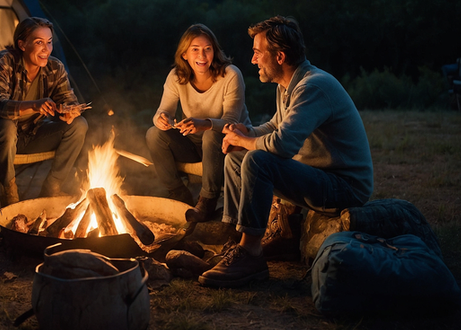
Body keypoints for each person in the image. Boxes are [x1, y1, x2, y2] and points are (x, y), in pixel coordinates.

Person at [199, 15, 373, 288]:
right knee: (235, 156)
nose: (253, 59)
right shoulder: (288, 85)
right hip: (316, 176)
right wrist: (247, 133)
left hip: (344, 187)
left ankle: (251, 256)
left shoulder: (312, 87)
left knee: (257, 160)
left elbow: (282, 144)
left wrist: (248, 142)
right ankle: (237, 241)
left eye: (257, 52)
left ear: (279, 56)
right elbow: (276, 126)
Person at [0, 17, 88, 206]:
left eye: (49, 42)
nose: (46, 49)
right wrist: (34, 105)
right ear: (22, 44)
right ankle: (9, 194)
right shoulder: (3, 63)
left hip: (31, 134)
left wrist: (69, 111)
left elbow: (69, 100)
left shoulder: (55, 68)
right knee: (7, 126)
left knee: (79, 126)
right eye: (39, 42)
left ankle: (52, 188)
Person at [146, 23, 251, 222]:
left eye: (207, 49)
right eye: (195, 50)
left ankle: (207, 200)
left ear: (214, 51)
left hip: (228, 145)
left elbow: (231, 122)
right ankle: (178, 192)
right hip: (194, 144)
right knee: (154, 134)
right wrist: (162, 119)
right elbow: (162, 111)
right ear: (185, 54)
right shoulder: (176, 77)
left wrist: (204, 123)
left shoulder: (231, 75)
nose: (202, 56)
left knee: (212, 134)